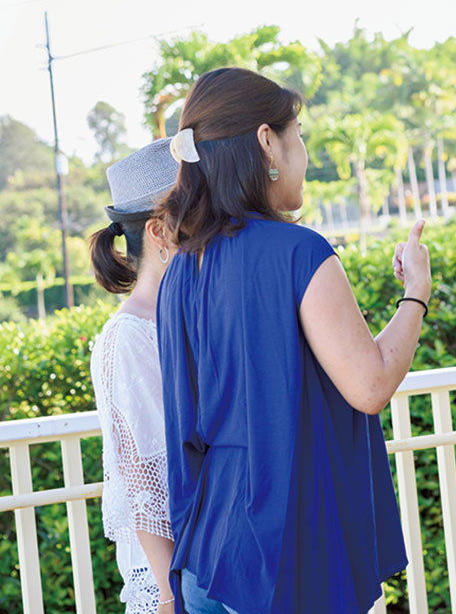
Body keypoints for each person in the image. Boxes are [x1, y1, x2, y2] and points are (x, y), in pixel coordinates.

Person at [153, 67, 432, 614]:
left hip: (207, 557)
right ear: (266, 142)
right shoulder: (299, 253)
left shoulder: (180, 272)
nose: (304, 152)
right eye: (298, 134)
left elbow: (180, 432)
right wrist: (415, 293)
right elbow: (370, 383)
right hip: (283, 555)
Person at [88, 138, 181, 613]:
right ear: (160, 230)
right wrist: (168, 598)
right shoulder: (129, 336)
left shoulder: (179, 315)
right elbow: (142, 478)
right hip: (173, 581)